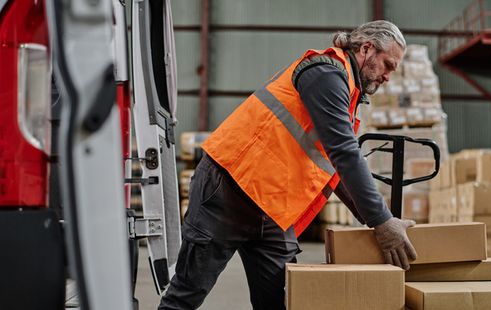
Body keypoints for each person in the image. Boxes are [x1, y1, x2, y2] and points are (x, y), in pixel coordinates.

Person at [159, 20, 417, 310]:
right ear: (367, 49)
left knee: (281, 301)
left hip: (271, 206)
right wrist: (381, 221)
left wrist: (373, 219)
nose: (388, 77)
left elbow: (335, 167)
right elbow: (344, 152)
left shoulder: (348, 90)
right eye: (388, 65)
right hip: (229, 189)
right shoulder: (326, 73)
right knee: (186, 295)